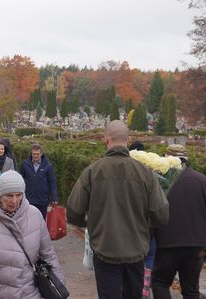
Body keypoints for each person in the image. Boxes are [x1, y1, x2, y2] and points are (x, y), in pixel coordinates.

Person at [67, 120, 169, 299]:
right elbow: (162, 214)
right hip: (135, 252)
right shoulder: (145, 173)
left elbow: (73, 211)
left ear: (106, 140)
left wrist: (90, 223)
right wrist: (143, 226)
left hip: (105, 250)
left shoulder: (92, 172)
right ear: (128, 141)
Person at [0, 171, 65, 299]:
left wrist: (58, 288)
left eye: (18, 195)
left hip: (32, 293)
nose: (14, 201)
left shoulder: (34, 215)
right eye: (9, 195)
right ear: (0, 194)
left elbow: (48, 254)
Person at [151, 151, 206, 299]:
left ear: (166, 158)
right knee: (191, 289)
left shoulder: (161, 182)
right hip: (195, 244)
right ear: (187, 159)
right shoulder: (202, 180)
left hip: (166, 243)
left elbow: (151, 211)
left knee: (160, 283)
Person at [18, 143, 58, 219]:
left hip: (42, 199)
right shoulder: (25, 164)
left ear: (41, 154)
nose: (36, 156)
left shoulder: (48, 165)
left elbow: (52, 182)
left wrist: (54, 197)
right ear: (31, 153)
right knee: (28, 220)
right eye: (34, 154)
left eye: (37, 154)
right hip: (29, 199)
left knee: (41, 221)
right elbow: (20, 180)